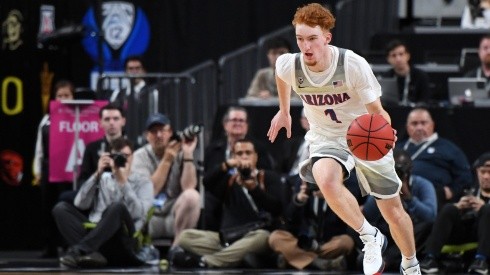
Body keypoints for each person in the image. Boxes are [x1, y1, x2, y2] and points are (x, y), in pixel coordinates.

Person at [266, 3, 420, 275]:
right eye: (300, 39)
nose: (306, 46)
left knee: (392, 210)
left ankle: (411, 265)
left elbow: (378, 111)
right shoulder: (289, 63)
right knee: (324, 178)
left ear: (327, 37)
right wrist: (284, 110)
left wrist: (386, 130)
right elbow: (281, 74)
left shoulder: (352, 64)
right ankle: (369, 237)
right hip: (326, 136)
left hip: (365, 134)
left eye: (312, 38)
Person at [169, 138, 286, 268]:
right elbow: (207, 182)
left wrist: (254, 189)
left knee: (261, 237)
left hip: (259, 236)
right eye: (239, 154)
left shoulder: (268, 177)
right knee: (185, 236)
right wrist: (226, 165)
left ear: (256, 157)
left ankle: (204, 262)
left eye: (248, 153)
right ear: (233, 156)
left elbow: (278, 208)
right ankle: (237, 258)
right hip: (231, 238)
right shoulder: (230, 181)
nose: (244, 157)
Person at [52, 137, 153, 268]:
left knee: (117, 207)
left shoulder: (144, 182)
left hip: (124, 239)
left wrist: (123, 182)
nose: (122, 160)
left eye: (126, 156)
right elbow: (79, 203)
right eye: (117, 156)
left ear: (133, 157)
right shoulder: (103, 179)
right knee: (60, 209)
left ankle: (79, 251)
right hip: (98, 237)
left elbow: (138, 214)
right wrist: (97, 173)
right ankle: (93, 254)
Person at [354, 149, 437, 271]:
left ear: (410, 169)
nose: (397, 173)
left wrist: (409, 197)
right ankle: (384, 258)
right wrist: (382, 190)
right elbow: (369, 214)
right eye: (394, 169)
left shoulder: (423, 184)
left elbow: (430, 215)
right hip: (386, 231)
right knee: (356, 221)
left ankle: (386, 260)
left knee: (427, 226)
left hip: (412, 233)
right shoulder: (383, 182)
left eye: (401, 170)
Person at [131, 113, 200, 248]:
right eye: (154, 131)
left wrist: (187, 154)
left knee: (192, 196)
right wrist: (167, 160)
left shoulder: (182, 152)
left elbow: (189, 186)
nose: (159, 135)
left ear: (170, 133)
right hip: (149, 217)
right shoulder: (139, 156)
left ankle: (178, 248)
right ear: (147, 136)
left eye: (162, 130)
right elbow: (150, 191)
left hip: (174, 214)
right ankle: (139, 249)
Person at [268, 174, 363, 271]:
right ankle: (318, 262)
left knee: (346, 241)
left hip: (329, 243)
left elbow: (348, 222)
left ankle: (298, 259)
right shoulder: (302, 182)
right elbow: (289, 219)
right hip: (303, 242)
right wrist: (298, 201)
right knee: (275, 237)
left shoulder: (345, 184)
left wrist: (332, 198)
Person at [419, 151, 490, 275]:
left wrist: (484, 207)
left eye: (489, 173)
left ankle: (481, 261)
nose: (486, 177)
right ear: (477, 172)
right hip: (467, 232)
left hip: (486, 236)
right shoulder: (469, 191)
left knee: (487, 210)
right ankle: (431, 258)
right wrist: (459, 206)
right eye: (483, 172)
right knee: (449, 208)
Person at [397, 107, 473, 211]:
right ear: (407, 127)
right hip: (398, 193)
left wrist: (452, 190)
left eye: (424, 123)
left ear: (432, 124)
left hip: (433, 195)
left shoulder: (448, 148)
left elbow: (465, 175)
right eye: (414, 123)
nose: (419, 127)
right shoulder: (398, 148)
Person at [33, 79, 75, 257]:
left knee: (66, 208)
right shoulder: (46, 119)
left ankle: (67, 245)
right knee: (47, 208)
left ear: (73, 97)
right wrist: (37, 170)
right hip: (49, 168)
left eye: (67, 95)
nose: (63, 99)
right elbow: (39, 148)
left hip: (69, 170)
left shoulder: (78, 118)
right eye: (59, 96)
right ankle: (49, 246)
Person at [205, 106, 274, 174]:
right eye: (234, 120)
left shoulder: (259, 149)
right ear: (225, 124)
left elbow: (268, 175)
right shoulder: (213, 150)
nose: (238, 123)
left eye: (241, 120)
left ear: (247, 126)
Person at [77, 103, 127, 185]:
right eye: (107, 119)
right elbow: (82, 183)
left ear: (123, 121)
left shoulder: (133, 148)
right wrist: (98, 172)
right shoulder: (91, 148)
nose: (111, 122)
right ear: (100, 122)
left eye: (116, 119)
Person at [379, 39, 431, 106]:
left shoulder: (421, 76)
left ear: (408, 56)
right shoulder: (385, 78)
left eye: (401, 54)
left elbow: (425, 101)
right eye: (393, 55)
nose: (398, 59)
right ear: (388, 59)